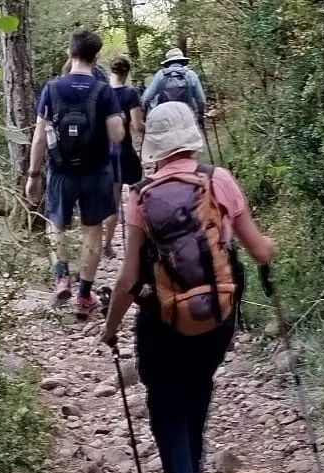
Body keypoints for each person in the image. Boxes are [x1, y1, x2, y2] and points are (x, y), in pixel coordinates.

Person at [98, 101, 277, 473]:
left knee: (165, 408)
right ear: (192, 137)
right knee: (197, 395)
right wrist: (271, 245)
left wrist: (111, 327)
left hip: (162, 319)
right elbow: (258, 252)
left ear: (154, 146)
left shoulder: (140, 195)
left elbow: (129, 277)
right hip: (216, 317)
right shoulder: (220, 180)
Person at [27, 29, 125, 318]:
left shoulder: (52, 89)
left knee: (55, 225)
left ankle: (60, 278)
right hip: (96, 172)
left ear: (69, 53)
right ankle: (84, 296)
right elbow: (117, 135)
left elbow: (39, 138)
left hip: (60, 172)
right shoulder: (103, 90)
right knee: (92, 230)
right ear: (96, 58)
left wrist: (33, 176)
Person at [103, 55, 145, 260]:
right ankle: (141, 238)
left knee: (113, 200)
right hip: (126, 152)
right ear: (127, 73)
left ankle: (107, 245)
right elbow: (138, 126)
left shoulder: (101, 92)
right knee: (140, 194)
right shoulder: (130, 93)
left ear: (110, 71)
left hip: (105, 154)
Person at [141, 47, 207, 119]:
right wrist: (200, 114)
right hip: (187, 115)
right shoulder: (191, 74)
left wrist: (144, 113)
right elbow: (201, 100)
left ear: (167, 62)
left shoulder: (160, 74)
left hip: (165, 116)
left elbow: (147, 98)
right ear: (182, 61)